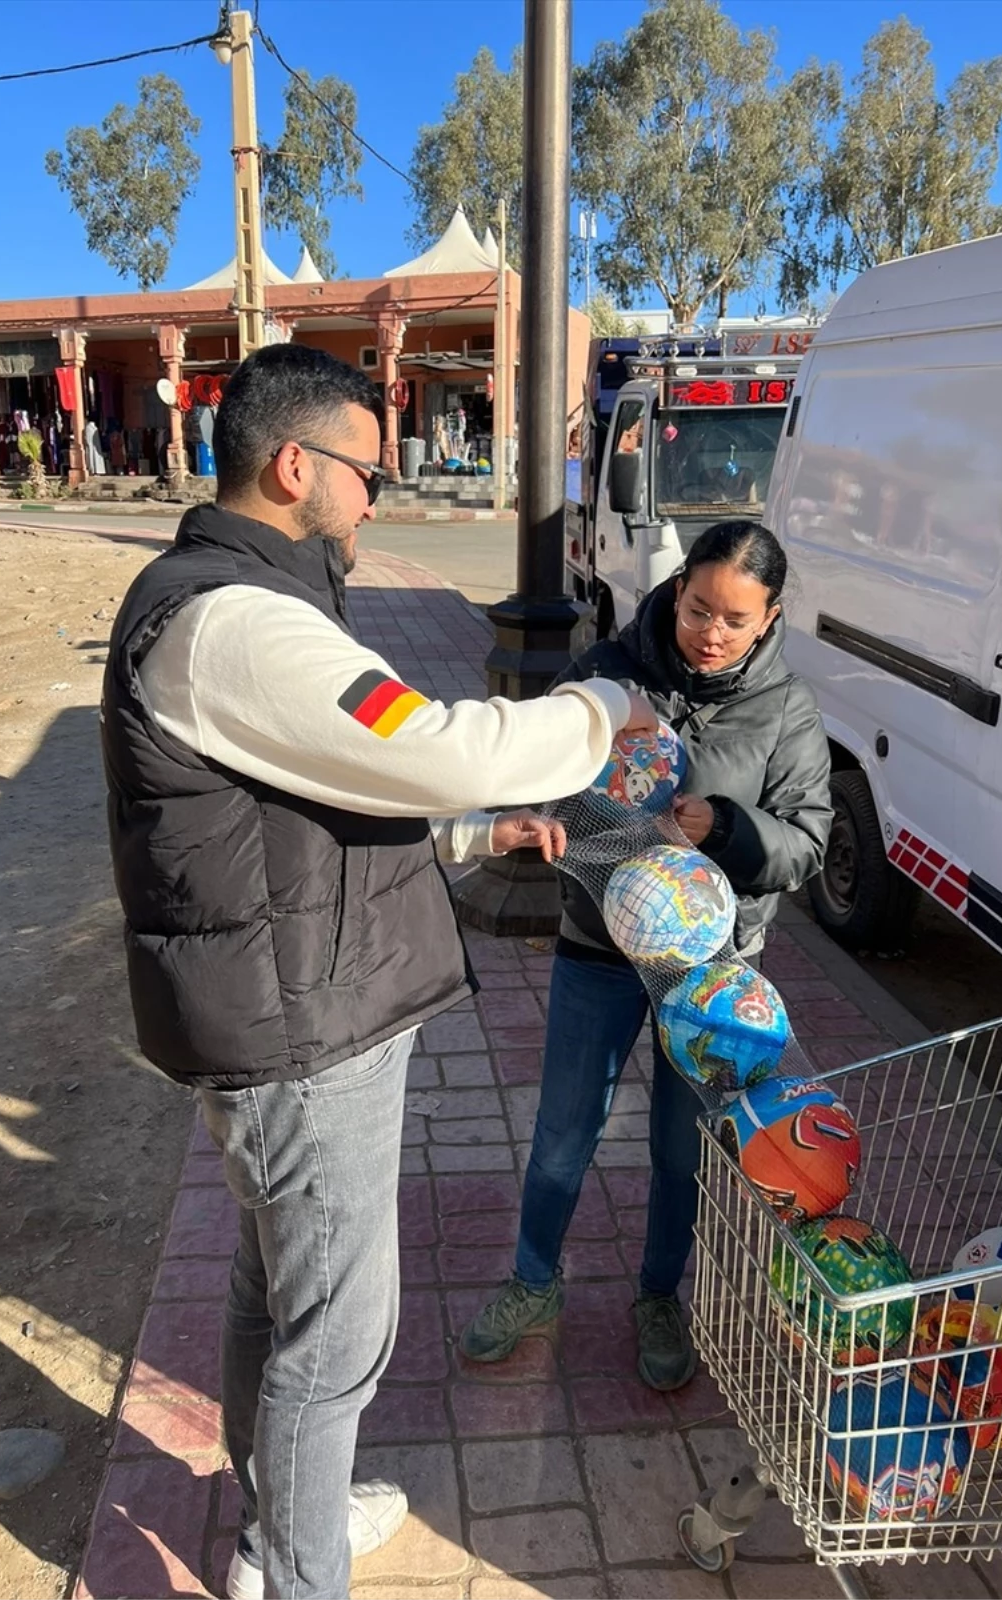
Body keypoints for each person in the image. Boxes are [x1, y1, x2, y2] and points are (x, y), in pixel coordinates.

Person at [100, 342, 657, 1600]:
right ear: (294, 466)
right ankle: (296, 1567)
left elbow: (314, 799)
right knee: (337, 1339)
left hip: (289, 1003)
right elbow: (439, 746)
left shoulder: (249, 603)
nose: (380, 491)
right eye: (364, 466)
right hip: (306, 1032)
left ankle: (284, 1516)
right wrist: (601, 710)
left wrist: (469, 835)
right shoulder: (237, 621)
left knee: (278, 1291)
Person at [460, 520, 833, 1391]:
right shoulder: (603, 676)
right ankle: (531, 1283)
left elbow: (808, 842)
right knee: (560, 1138)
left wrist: (730, 828)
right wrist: (546, 813)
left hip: (709, 982)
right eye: (699, 607)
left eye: (735, 621)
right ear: (677, 590)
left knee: (680, 1150)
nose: (710, 632)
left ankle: (660, 1296)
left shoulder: (787, 711)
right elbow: (537, 765)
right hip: (597, 951)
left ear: (770, 618)